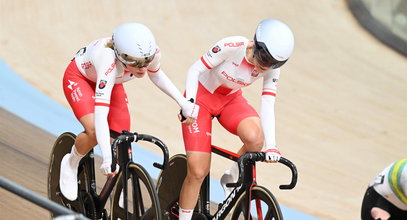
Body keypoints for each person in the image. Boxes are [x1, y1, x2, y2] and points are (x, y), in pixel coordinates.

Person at [59, 22, 199, 201]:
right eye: (136, 64)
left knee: (121, 138)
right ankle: (71, 162)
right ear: (120, 56)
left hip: (113, 83)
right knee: (94, 132)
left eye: (146, 62)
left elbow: (156, 74)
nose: (143, 69)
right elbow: (101, 115)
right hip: (80, 79)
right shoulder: (108, 60)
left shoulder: (151, 52)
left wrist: (183, 102)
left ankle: (118, 187)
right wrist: (107, 157)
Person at [177, 18, 295, 219]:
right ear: (256, 45)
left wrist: (272, 145)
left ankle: (231, 177)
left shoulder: (272, 65)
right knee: (198, 172)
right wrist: (188, 104)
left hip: (230, 100)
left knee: (256, 139)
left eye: (274, 63)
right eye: (264, 60)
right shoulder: (232, 46)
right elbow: (195, 69)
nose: (267, 67)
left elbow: (267, 103)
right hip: (201, 99)